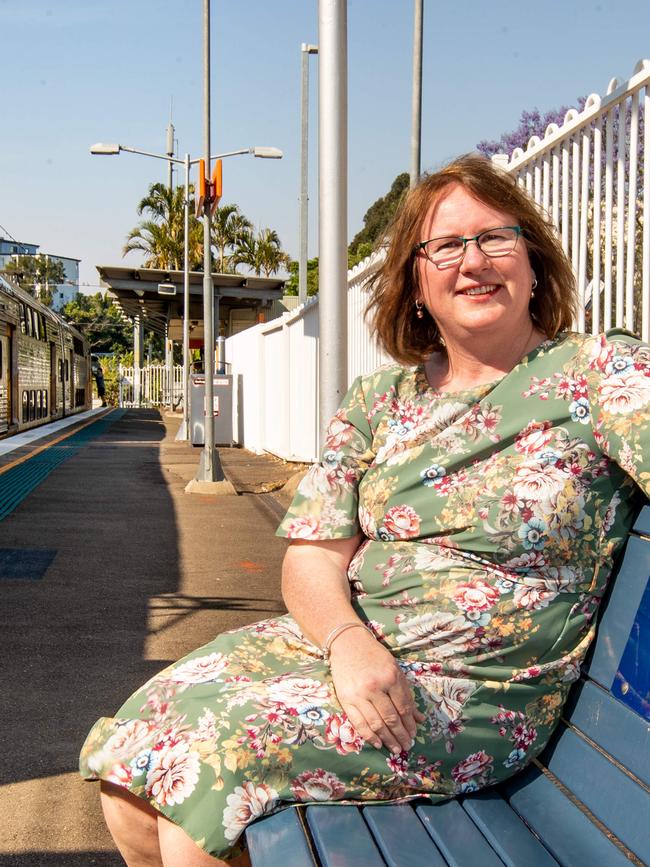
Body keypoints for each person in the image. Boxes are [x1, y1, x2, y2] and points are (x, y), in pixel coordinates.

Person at [79, 154, 650, 866]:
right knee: (133, 755)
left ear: (533, 262)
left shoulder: (602, 375)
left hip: (463, 693)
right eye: (445, 246)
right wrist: (347, 641)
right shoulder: (378, 402)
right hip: (343, 652)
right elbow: (313, 556)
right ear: (416, 285)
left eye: (495, 238)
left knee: (208, 769)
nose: (473, 261)